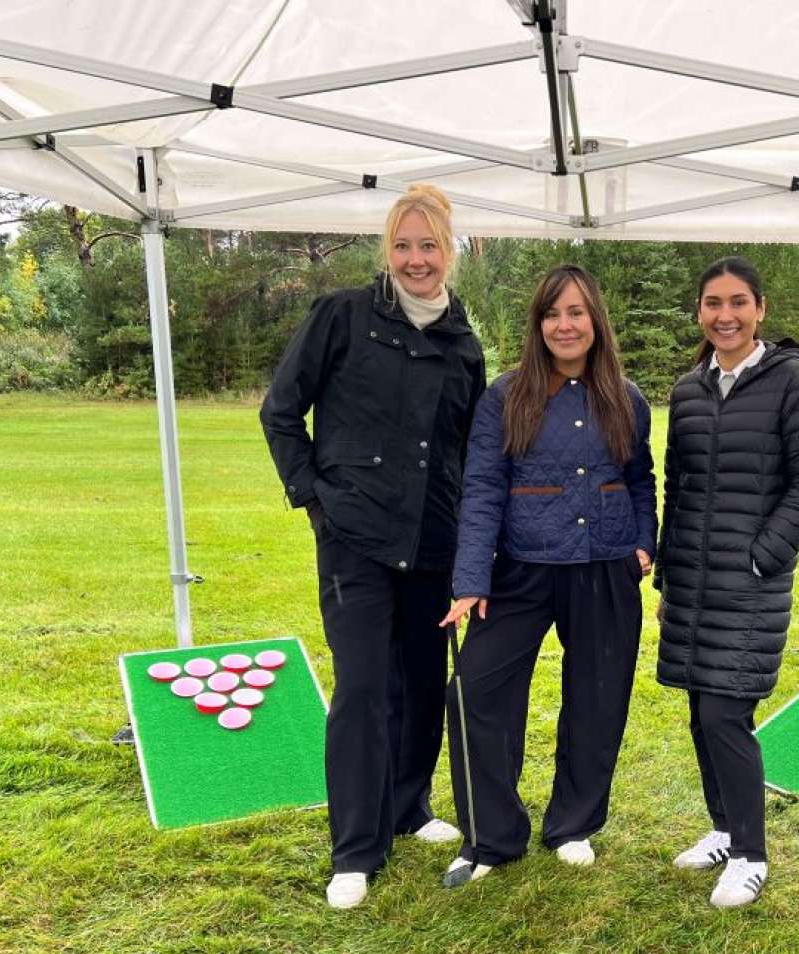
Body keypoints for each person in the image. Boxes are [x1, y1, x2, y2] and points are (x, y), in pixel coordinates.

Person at [260, 184, 486, 910]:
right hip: (354, 539)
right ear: (387, 250)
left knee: (420, 683)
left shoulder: (464, 345)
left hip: (433, 542)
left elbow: (463, 452)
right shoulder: (342, 315)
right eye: (403, 246)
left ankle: (408, 806)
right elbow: (281, 412)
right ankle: (356, 848)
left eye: (429, 246)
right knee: (362, 688)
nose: (417, 260)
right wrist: (314, 499)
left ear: (450, 252)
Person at [439, 264, 657, 887]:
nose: (565, 325)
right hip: (520, 571)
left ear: (595, 322)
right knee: (475, 692)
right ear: (538, 324)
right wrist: (471, 579)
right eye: (553, 314)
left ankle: (573, 824)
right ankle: (491, 837)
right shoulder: (505, 397)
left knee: (598, 698)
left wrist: (644, 544)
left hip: (605, 568)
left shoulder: (626, 398)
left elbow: (640, 477)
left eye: (576, 312)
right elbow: (483, 487)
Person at [654, 256, 799, 909]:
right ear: (699, 312)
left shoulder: (794, 382)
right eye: (713, 303)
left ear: (759, 309)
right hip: (691, 585)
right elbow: (676, 488)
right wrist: (667, 575)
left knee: (725, 713)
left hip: (750, 585)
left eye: (737, 302)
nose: (724, 315)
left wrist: (763, 558)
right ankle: (725, 830)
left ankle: (751, 855)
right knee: (700, 711)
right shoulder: (688, 390)